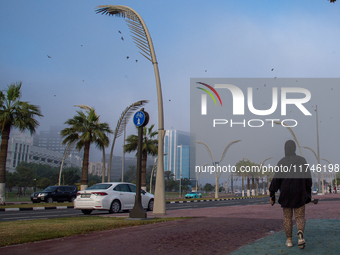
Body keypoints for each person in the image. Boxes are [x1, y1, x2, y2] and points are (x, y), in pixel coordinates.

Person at [269, 140, 312, 249]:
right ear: (294, 149)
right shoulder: (302, 161)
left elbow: (276, 180)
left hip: (286, 194)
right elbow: (308, 178)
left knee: (287, 218)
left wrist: (272, 194)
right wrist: (307, 192)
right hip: (300, 193)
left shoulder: (282, 162)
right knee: (300, 217)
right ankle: (300, 234)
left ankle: (289, 240)